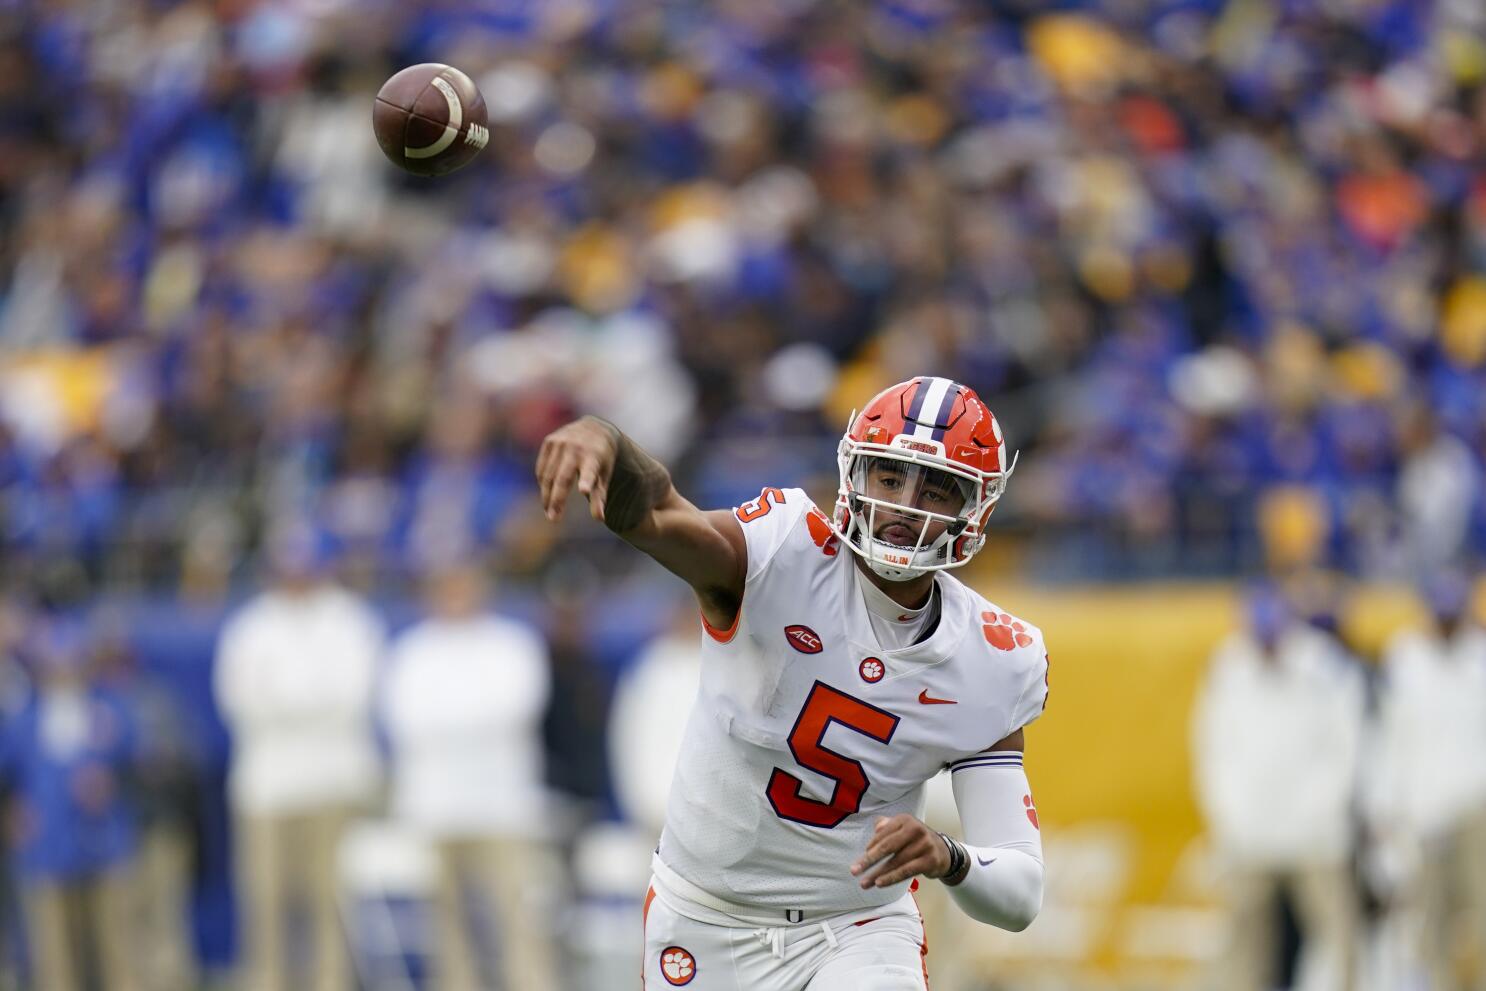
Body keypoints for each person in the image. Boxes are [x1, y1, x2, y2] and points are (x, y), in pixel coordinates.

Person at [537, 376, 1049, 990]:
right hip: (706, 913)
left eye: (936, 489)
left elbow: (1018, 891)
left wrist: (949, 856)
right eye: (890, 478)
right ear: (856, 474)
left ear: (976, 508)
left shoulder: (992, 657)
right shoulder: (784, 554)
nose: (903, 506)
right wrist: (611, 443)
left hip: (858, 924)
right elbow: (659, 511)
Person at [213, 520, 383, 991]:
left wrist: (283, 701)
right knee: (265, 908)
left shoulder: (350, 620)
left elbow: (351, 699)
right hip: (265, 789)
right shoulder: (250, 626)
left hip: (336, 785)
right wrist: (309, 700)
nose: (297, 576)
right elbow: (240, 702)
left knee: (334, 907)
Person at [381, 558, 560, 991]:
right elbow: (405, 720)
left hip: (503, 809)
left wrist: (449, 721)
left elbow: (514, 709)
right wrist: (467, 721)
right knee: (447, 934)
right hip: (435, 809)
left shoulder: (512, 645)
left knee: (519, 923)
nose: (456, 593)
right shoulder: (411, 651)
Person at [1191, 587, 1365, 991]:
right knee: (1247, 944)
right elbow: (1211, 745)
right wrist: (1228, 813)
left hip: (1316, 833)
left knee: (1340, 938)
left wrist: (1327, 807)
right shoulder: (1228, 666)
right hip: (1252, 832)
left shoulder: (1323, 665)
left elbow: (1346, 742)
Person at [1372, 573, 1486, 991]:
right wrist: (1386, 807)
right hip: (1425, 809)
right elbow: (1391, 737)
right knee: (1427, 919)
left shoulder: (1480, 656)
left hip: (1478, 805)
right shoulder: (1404, 659)